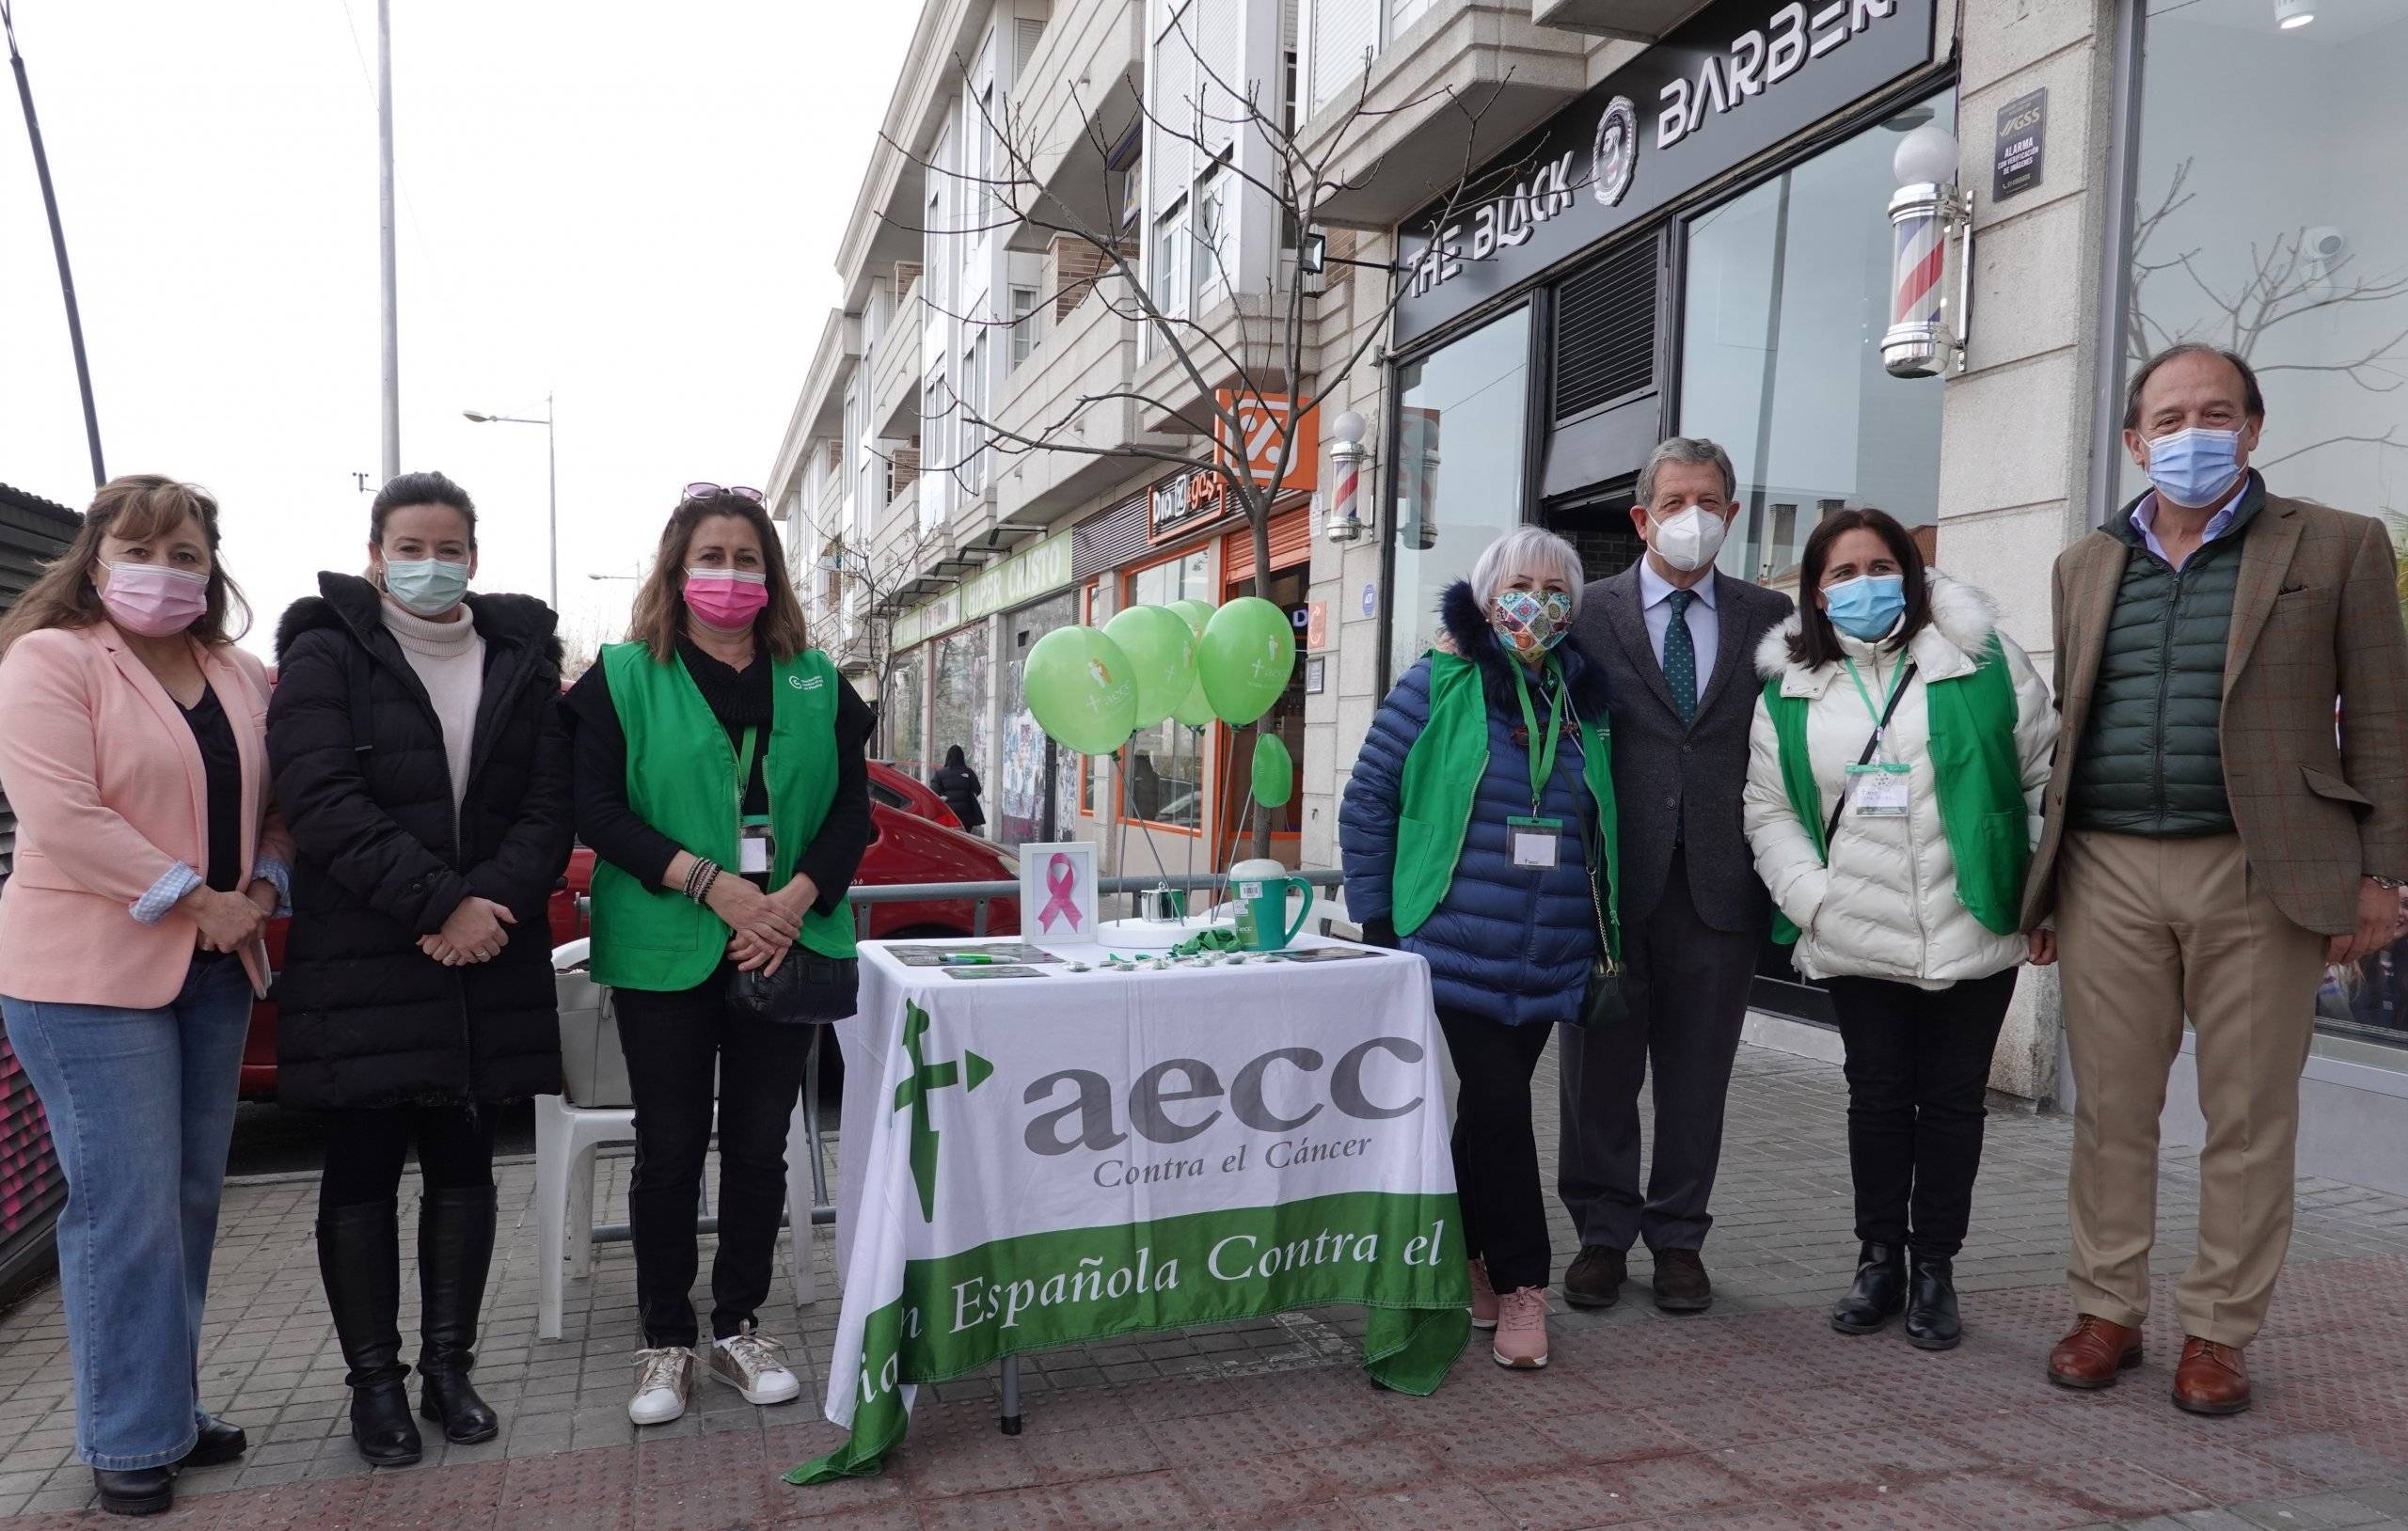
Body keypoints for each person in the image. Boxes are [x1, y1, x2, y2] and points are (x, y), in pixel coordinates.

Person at [2026, 344, 2408, 1415]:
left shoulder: (2335, 545)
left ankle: (2218, 1330)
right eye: (2169, 416)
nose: (2192, 432)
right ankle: (2107, 1307)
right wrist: (2045, 887)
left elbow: (2380, 716)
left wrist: (2383, 874)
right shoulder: (2083, 563)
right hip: (2104, 863)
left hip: (2261, 866)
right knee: (2111, 1105)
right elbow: (2072, 723)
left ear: (2251, 425)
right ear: (2135, 439)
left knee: (2247, 1112)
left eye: (2215, 412)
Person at [266, 471, 574, 1465]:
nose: (430, 562)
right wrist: (442, 902)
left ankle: (449, 1368)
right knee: (360, 1171)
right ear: (375, 553)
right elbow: (321, 801)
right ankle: (375, 1387)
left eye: (449, 545)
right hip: (367, 958)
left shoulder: (521, 655)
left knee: (464, 1167)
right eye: (410, 544)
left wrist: (491, 903)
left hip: (485, 954)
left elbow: (546, 802)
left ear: (474, 555)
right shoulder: (324, 652)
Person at [0, 477, 293, 1517]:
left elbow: (276, 806)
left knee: (188, 1204)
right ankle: (126, 1431)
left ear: (213, 568)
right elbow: (61, 811)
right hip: (86, 981)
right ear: (94, 555)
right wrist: (193, 898)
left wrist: (262, 885)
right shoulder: (50, 658)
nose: (166, 572)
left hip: (215, 971)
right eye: (143, 550)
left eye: (187, 554)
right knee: (125, 1210)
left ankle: (165, 1404)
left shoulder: (239, 671)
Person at [566, 484, 876, 1425]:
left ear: (771, 576)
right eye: (712, 556)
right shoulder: (622, 675)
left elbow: (849, 814)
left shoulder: (817, 678)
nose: (730, 574)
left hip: (783, 939)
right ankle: (664, 1335)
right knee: (666, 1150)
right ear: (675, 568)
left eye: (749, 559)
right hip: (666, 944)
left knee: (757, 1146)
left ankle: (739, 1319)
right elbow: (596, 810)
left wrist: (784, 902)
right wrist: (713, 884)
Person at [1742, 510, 2055, 1350]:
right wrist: (1812, 898)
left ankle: (1936, 1267)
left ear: (1913, 576)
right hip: (1855, 927)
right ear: (1815, 591)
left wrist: (2034, 890)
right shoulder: (1792, 689)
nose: (1863, 583)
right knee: (1877, 1100)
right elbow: (1768, 809)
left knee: (1953, 1105)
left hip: (1974, 918)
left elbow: (2044, 778)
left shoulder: (1984, 662)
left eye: (1881, 565)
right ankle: (1878, 1258)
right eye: (1842, 573)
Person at [1340, 527, 1618, 1370]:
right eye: (1520, 584)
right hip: (1452, 941)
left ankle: (1464, 1254)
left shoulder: (1582, 701)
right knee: (1501, 1108)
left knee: (1486, 1115)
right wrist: (1382, 926)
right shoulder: (1438, 682)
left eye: (1555, 587)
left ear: (1573, 606)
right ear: (1489, 595)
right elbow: (1368, 800)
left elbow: (1599, 825)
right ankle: (1526, 1280)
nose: (1537, 601)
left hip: (1552, 948)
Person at [1557, 437, 1794, 1315]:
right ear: (1641, 517)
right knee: (1598, 1077)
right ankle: (1601, 1236)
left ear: (1731, 514)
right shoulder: (1585, 616)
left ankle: (1679, 1237)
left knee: (1699, 1077)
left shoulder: (1774, 619)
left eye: (1709, 500)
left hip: (1721, 888)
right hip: (1609, 890)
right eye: (1675, 500)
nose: (1692, 516)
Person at [932, 743, 985, 834]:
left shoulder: (940, 773)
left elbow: (933, 793)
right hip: (967, 814)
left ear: (948, 757)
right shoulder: (969, 772)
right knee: (964, 838)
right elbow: (978, 790)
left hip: (948, 812)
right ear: (962, 757)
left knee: (950, 838)